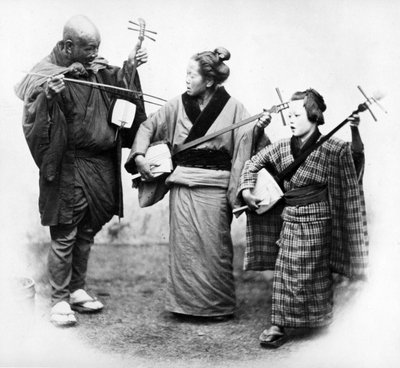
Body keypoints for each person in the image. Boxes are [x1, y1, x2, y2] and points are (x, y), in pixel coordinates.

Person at [15, 15, 148, 326]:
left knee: (87, 231)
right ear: (68, 45)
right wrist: (49, 96)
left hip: (101, 163)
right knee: (65, 233)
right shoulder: (46, 73)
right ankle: (59, 299)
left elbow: (119, 85)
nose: (94, 54)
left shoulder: (97, 68)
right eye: (89, 48)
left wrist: (130, 66)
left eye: (97, 47)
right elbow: (30, 100)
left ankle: (76, 289)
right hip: (69, 164)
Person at [125, 47, 269, 320]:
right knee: (185, 249)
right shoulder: (176, 105)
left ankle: (216, 306)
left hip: (215, 189)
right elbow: (147, 128)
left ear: (210, 80)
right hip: (182, 187)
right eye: (186, 75)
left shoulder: (235, 108)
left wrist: (258, 128)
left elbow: (246, 142)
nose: (187, 80)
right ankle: (185, 305)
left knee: (215, 249)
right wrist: (140, 155)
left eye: (192, 75)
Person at [238, 89, 369, 347]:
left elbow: (354, 161)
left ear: (313, 115)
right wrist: (245, 191)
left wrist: (354, 131)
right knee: (285, 270)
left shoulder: (333, 148)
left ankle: (318, 319)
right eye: (289, 115)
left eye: (297, 115)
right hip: (290, 218)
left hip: (320, 220)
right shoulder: (281, 148)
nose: (291, 121)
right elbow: (252, 164)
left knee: (315, 273)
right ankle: (279, 323)